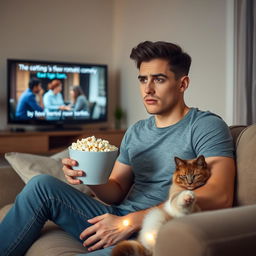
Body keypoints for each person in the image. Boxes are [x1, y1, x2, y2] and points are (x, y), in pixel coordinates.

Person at [0, 41, 235, 256]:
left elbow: (220, 195)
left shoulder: (205, 125)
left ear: (182, 83)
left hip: (157, 229)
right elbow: (116, 190)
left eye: (159, 79)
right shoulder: (136, 131)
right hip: (119, 218)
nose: (148, 89)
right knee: (41, 185)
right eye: (143, 79)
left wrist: (133, 221)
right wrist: (88, 175)